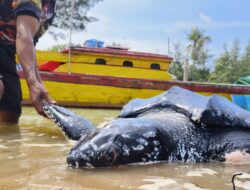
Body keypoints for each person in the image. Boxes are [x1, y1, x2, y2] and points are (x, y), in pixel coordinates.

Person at [0, 0, 56, 123]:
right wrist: (32, 82)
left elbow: (28, 44)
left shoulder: (48, 8)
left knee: (10, 111)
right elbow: (22, 34)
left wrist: (38, 84)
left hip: (6, 52)